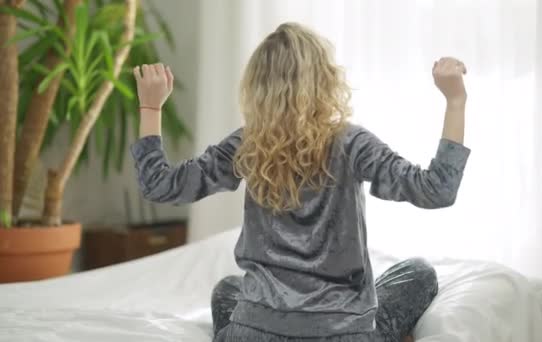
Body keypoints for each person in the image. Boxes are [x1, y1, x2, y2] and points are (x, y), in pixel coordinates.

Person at [130, 22, 470, 342]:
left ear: (257, 86)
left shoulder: (247, 143)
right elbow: (437, 189)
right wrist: (455, 101)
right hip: (344, 332)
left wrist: (150, 107)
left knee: (228, 290)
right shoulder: (352, 142)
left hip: (255, 332)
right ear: (326, 79)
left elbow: (161, 185)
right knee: (420, 274)